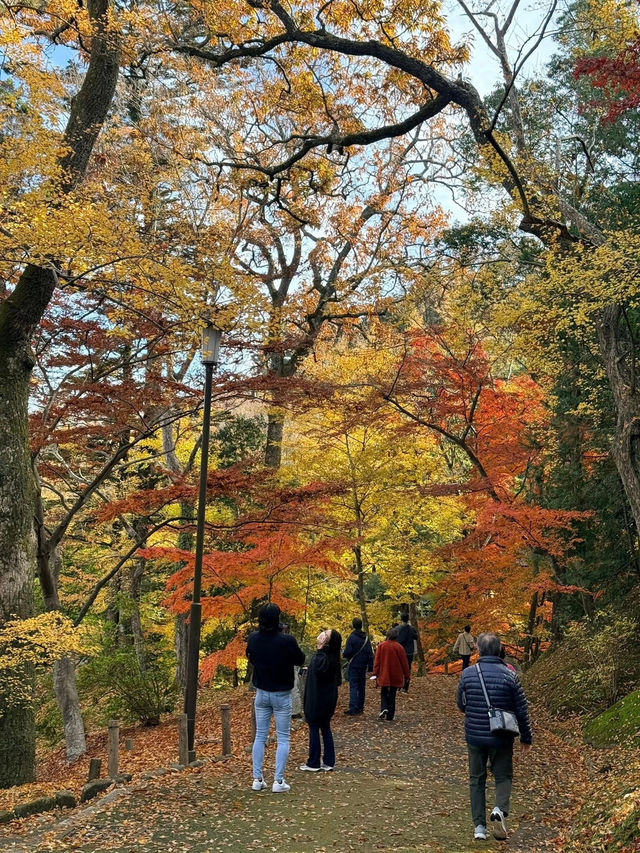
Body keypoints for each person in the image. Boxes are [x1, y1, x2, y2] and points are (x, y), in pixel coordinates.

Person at [456, 632, 532, 842]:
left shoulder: (468, 674)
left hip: (475, 735)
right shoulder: (510, 675)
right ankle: (500, 809)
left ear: (478, 650)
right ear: (499, 650)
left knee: (476, 779)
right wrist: (526, 737)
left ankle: (479, 826)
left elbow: (461, 704)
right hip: (502, 736)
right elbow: (521, 709)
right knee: (503, 775)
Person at [246, 603, 305, 793]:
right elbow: (300, 659)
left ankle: (257, 778)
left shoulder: (253, 639)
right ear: (277, 619)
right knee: (283, 738)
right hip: (281, 694)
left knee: (260, 736)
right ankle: (278, 781)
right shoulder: (286, 641)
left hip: (261, 693)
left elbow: (251, 657)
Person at [299, 629, 342, 771]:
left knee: (314, 726)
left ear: (327, 642)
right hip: (328, 697)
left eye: (326, 634)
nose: (322, 634)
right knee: (325, 727)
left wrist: (319, 649)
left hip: (317, 697)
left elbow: (319, 669)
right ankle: (329, 761)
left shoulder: (322, 657)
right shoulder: (332, 658)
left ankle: (313, 762)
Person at [372, 626, 410, 721]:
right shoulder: (399, 647)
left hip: (384, 673)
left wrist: (375, 673)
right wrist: (407, 675)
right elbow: (404, 663)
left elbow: (377, 661)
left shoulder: (381, 646)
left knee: (384, 691)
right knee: (392, 694)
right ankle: (390, 715)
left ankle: (384, 708)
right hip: (395, 674)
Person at [342, 617, 373, 715]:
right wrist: (370, 666)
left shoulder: (351, 638)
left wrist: (345, 655)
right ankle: (360, 707)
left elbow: (347, 652)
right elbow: (370, 653)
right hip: (363, 665)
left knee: (353, 686)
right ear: (361, 625)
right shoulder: (366, 638)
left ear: (353, 625)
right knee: (361, 686)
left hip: (354, 665)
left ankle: (353, 708)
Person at [396, 613, 418, 692]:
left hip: (399, 652)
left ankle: (398, 685)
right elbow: (416, 637)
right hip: (409, 652)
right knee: (407, 669)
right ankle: (405, 686)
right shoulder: (411, 629)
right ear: (408, 619)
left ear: (401, 619)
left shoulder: (397, 628)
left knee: (399, 668)